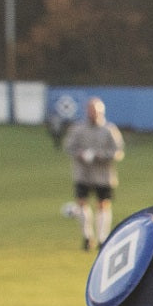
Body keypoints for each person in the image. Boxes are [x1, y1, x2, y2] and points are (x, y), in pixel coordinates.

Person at [62, 96, 124, 250]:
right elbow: (68, 147)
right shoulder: (78, 129)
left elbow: (118, 151)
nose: (93, 113)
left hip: (103, 174)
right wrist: (81, 154)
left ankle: (102, 238)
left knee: (103, 204)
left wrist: (100, 155)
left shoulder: (109, 130)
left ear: (101, 112)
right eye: (90, 110)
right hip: (83, 173)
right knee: (82, 202)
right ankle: (87, 236)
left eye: (95, 111)